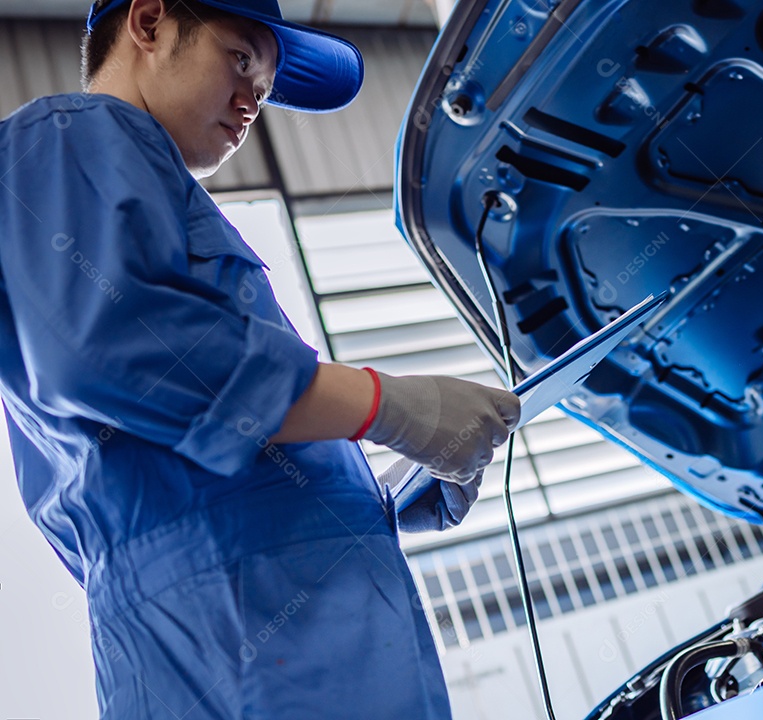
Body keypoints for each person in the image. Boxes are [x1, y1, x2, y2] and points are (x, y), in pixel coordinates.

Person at [0, 0, 520, 717]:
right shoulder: (69, 138)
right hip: (225, 627)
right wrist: (389, 407)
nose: (253, 101)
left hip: (279, 616)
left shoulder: (148, 185)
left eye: (267, 87)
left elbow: (215, 433)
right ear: (149, 23)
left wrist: (370, 497)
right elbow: (111, 348)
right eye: (241, 59)